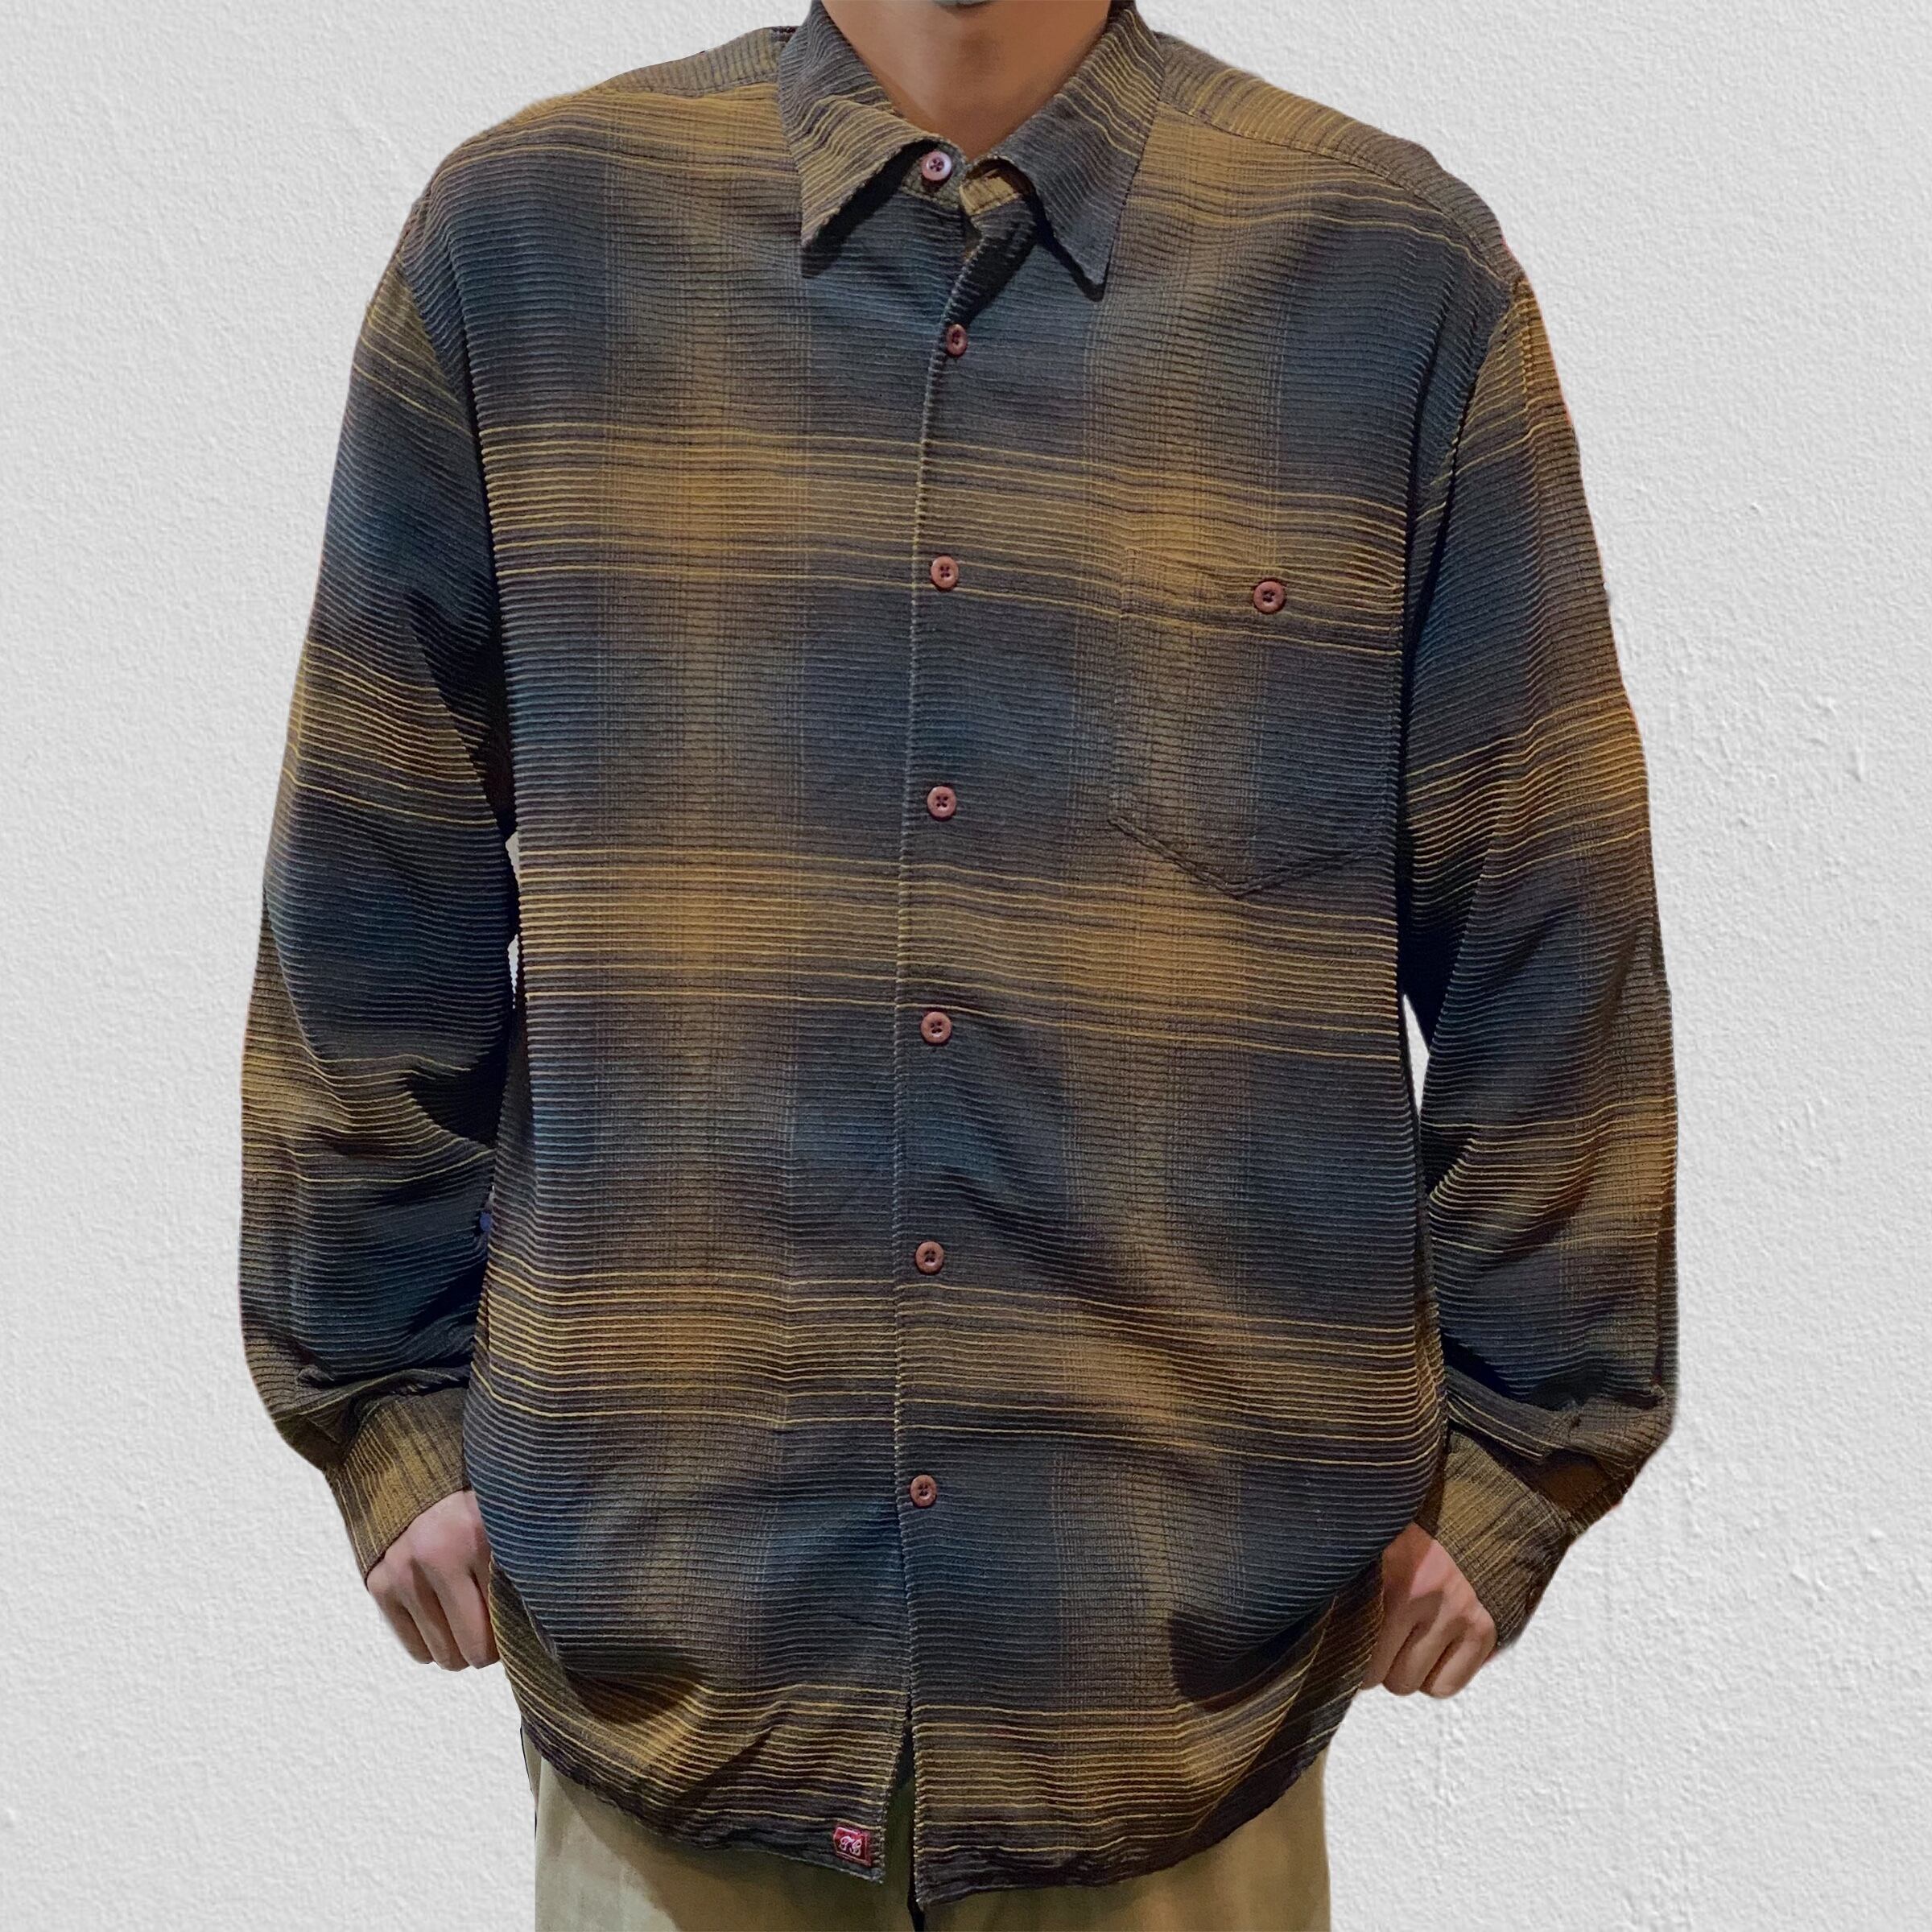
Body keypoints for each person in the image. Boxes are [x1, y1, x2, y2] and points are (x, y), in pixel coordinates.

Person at [237, 0, 1678, 1925]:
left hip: (1181, 1677)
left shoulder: (1387, 278)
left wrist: (1521, 1451)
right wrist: (385, 1405)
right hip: (676, 1648)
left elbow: (1547, 919)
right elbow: (373, 879)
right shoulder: (529, 248)